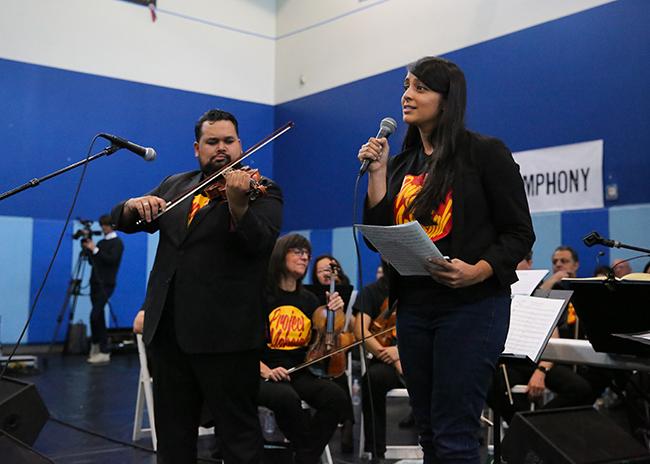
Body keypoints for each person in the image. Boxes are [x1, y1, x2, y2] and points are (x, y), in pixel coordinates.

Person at [357, 56, 535, 463]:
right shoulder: (401, 163)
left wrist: (479, 271)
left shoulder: (484, 153)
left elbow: (519, 233)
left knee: (456, 432)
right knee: (430, 433)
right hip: (415, 308)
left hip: (472, 306)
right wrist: (379, 175)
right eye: (406, 85)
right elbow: (378, 240)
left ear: (447, 98)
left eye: (420, 87)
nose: (407, 95)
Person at [111, 109, 283, 463]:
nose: (221, 148)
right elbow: (124, 220)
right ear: (197, 148)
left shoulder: (262, 191)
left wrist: (238, 205)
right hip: (169, 334)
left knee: (239, 440)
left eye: (228, 141)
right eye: (212, 141)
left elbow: (260, 244)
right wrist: (132, 205)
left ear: (241, 144)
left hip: (227, 339)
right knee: (173, 440)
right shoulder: (176, 185)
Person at [258, 234, 349, 464]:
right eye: (297, 251)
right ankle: (307, 455)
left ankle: (304, 456)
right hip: (262, 373)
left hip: (298, 372)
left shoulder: (309, 301)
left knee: (336, 396)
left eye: (306, 253)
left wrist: (333, 314)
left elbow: (319, 347)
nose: (305, 256)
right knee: (286, 398)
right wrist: (266, 370)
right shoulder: (261, 296)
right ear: (280, 256)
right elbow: (241, 343)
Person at [352, 273, 404, 458]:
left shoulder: (421, 286)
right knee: (372, 379)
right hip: (386, 360)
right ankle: (376, 451)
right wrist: (388, 354)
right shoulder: (372, 291)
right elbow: (360, 331)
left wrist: (401, 354)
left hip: (418, 357)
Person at [82, 214, 124, 365]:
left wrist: (95, 250)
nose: (103, 228)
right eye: (102, 225)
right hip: (95, 282)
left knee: (95, 315)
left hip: (106, 284)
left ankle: (104, 350)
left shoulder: (117, 243)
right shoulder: (100, 242)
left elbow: (111, 260)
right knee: (97, 317)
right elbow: (94, 262)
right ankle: (97, 347)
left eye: (105, 225)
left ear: (111, 225)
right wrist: (89, 248)